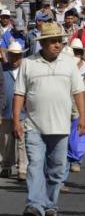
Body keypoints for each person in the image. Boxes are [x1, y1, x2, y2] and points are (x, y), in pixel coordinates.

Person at [13, 22, 85, 216]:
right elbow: (19, 94)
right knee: (35, 166)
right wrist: (16, 121)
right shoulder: (28, 63)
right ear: (43, 43)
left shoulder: (69, 63)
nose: (57, 45)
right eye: (53, 41)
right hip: (33, 126)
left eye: (60, 41)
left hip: (61, 127)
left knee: (56, 170)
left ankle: (50, 205)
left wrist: (82, 118)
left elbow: (79, 91)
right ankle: (35, 205)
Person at [0, 42, 28, 180]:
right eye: (12, 55)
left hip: (23, 111)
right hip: (5, 111)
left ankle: (22, 168)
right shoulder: (2, 69)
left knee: (22, 141)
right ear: (8, 55)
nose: (15, 58)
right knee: (6, 141)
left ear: (21, 55)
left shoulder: (26, 70)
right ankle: (6, 166)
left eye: (18, 56)